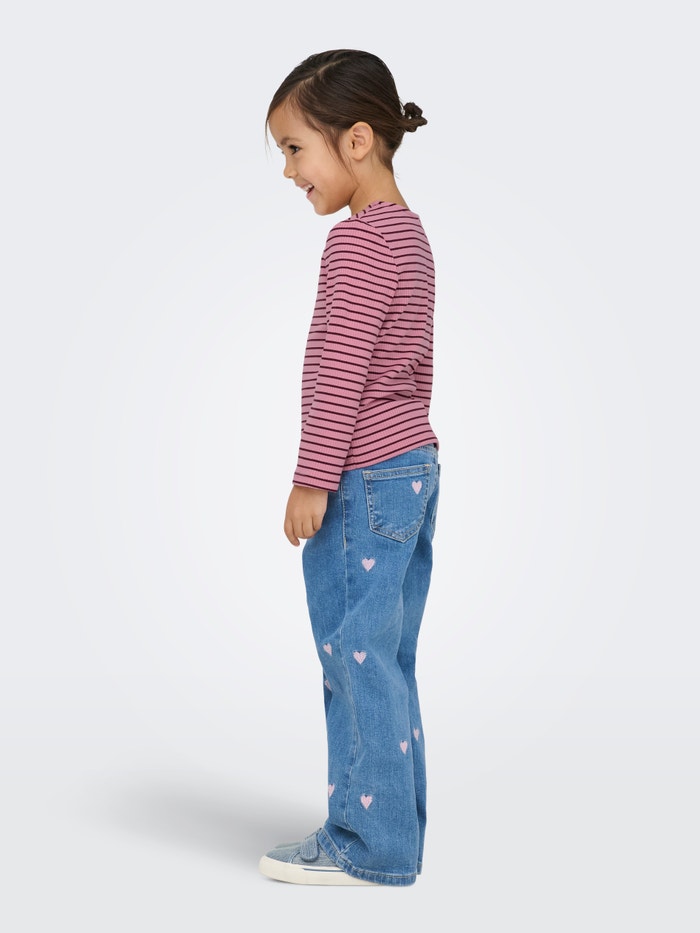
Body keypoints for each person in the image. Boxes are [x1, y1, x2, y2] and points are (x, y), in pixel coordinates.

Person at [259, 49, 441, 888]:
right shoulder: (411, 236)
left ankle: (366, 845)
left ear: (357, 140)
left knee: (354, 653)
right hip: (409, 470)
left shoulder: (358, 243)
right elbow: (406, 372)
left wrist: (313, 478)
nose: (289, 170)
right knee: (384, 656)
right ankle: (393, 835)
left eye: (296, 148)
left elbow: (343, 372)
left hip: (363, 476)